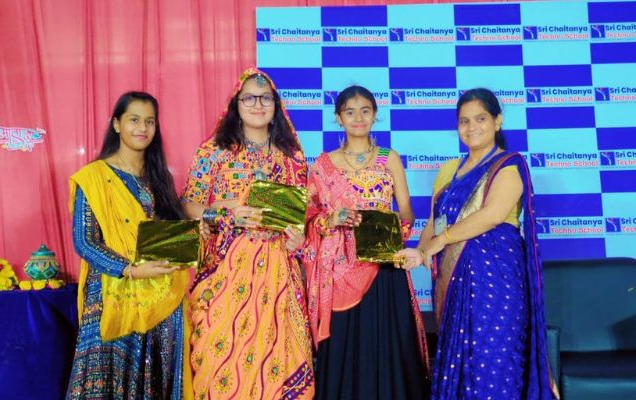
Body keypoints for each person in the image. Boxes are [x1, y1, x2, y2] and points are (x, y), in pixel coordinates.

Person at [395, 88, 557, 399]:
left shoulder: (508, 165)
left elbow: (492, 215)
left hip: (498, 283)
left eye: (480, 119)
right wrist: (421, 250)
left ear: (497, 121)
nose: (472, 128)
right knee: (459, 362)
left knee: (494, 359)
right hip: (455, 282)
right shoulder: (448, 171)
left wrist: (441, 241)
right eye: (464, 121)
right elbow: (435, 222)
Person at [181, 68, 314, 399]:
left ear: (276, 105)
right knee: (217, 354)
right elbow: (189, 204)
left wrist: (298, 237)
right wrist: (225, 212)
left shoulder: (292, 156)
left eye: (265, 98)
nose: (258, 105)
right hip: (225, 269)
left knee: (279, 357)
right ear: (236, 104)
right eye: (249, 98)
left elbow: (302, 214)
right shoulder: (214, 150)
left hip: (279, 271)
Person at [303, 85, 429, 400]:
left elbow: (407, 212)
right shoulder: (324, 164)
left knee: (387, 341)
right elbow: (308, 217)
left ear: (374, 115)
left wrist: (390, 229)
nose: (358, 118)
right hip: (340, 271)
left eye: (365, 111)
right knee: (346, 343)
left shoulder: (389, 158)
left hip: (383, 267)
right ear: (338, 118)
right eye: (350, 112)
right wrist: (332, 219)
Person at [66, 91, 191, 399]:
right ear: (117, 124)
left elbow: (168, 235)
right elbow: (85, 242)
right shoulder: (94, 177)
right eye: (134, 120)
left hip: (161, 296)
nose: (142, 128)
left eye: (150, 121)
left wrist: (190, 237)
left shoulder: (159, 177)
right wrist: (130, 270)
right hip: (112, 294)